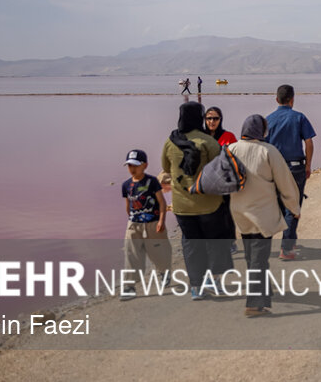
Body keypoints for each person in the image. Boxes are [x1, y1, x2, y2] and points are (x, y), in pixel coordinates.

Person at [229, 115, 300, 318]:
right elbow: (285, 183)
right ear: (261, 131)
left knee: (253, 257)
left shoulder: (231, 149)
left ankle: (264, 292)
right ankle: (254, 304)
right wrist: (293, 207)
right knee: (258, 259)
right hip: (262, 215)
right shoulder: (268, 151)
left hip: (240, 214)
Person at [162, 101, 228, 299]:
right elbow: (219, 169)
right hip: (209, 203)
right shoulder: (208, 141)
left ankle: (196, 287)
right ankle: (214, 281)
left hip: (182, 206)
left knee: (191, 245)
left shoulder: (170, 141)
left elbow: (166, 168)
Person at [266, 84, 315, 261]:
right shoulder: (299, 117)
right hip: (295, 168)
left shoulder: (269, 119)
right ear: (292, 99)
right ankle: (286, 249)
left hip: (274, 169)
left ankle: (289, 240)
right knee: (293, 208)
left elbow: (262, 147)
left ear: (277, 100)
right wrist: (308, 165)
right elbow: (309, 142)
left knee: (278, 206)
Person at [120, 148, 170, 300]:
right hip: (134, 225)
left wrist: (161, 220)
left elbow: (161, 202)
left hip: (153, 223)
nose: (132, 169)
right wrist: (132, 221)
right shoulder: (126, 185)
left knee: (158, 252)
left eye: (135, 165)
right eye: (129, 165)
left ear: (145, 165)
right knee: (131, 254)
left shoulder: (152, 181)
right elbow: (128, 205)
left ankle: (164, 273)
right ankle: (129, 287)